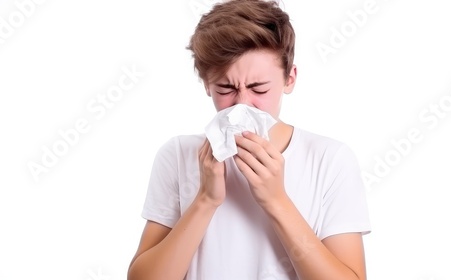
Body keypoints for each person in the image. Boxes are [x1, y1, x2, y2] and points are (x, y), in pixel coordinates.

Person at [127, 0, 371, 279]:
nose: (242, 104)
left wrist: (276, 200)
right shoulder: (179, 155)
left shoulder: (329, 159)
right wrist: (205, 200)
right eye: (226, 88)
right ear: (207, 84)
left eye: (259, 88)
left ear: (289, 79)